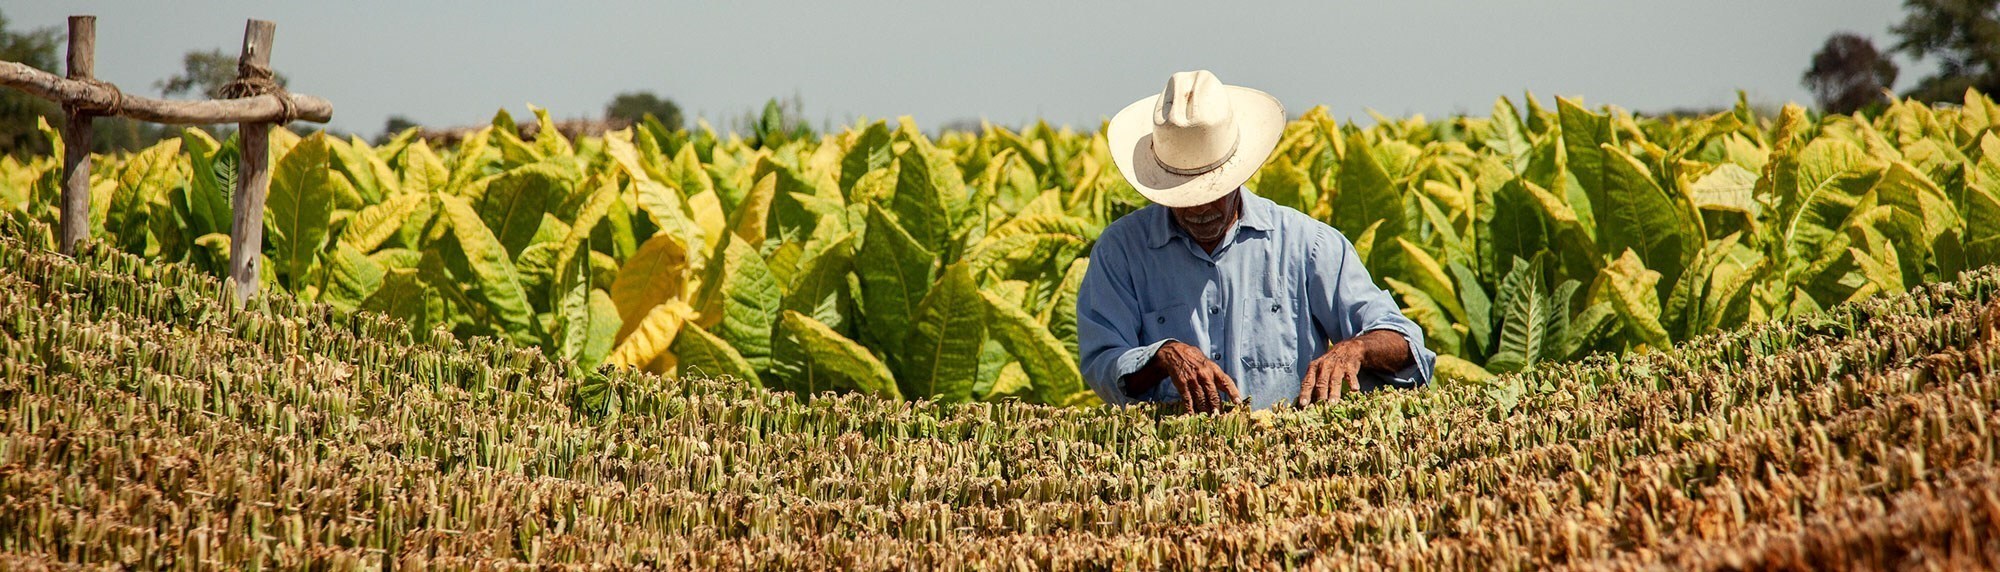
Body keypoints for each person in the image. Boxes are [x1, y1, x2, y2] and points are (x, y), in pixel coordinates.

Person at [1077, 70, 1435, 413]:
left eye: (1212, 190)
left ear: (1238, 173)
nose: (1201, 207)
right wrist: (1161, 357)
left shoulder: (1308, 245)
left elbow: (1406, 344)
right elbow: (1102, 361)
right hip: (1174, 463)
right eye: (1183, 195)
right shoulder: (1120, 251)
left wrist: (1355, 350)